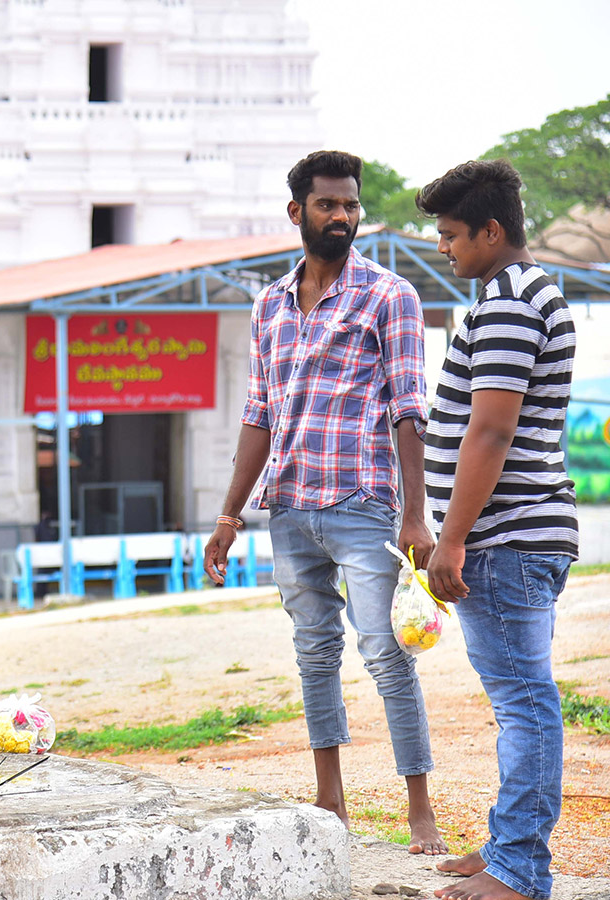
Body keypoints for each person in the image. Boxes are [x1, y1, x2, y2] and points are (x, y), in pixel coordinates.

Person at [203, 150, 446, 854]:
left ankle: (419, 809)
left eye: (350, 205)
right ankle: (329, 800)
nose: (342, 216)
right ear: (297, 213)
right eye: (328, 205)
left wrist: (413, 511)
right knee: (314, 653)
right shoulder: (268, 306)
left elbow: (409, 408)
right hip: (289, 508)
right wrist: (228, 516)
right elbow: (259, 416)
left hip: (363, 501)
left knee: (385, 651)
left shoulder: (389, 296)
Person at [416, 160, 577, 900]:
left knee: (524, 702)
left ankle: (518, 870)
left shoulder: (511, 303)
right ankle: (506, 847)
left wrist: (452, 539)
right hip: (515, 533)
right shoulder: (514, 295)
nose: (445, 248)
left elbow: (491, 429)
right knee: (518, 697)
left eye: (452, 235)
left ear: (491, 230)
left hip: (507, 537)